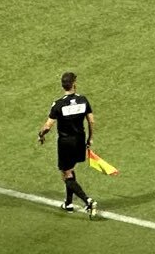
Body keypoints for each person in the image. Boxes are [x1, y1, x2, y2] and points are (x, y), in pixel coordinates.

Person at [36, 71, 96, 215]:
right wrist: (90, 138)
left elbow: (47, 126)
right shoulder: (83, 100)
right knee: (70, 169)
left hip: (66, 143)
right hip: (80, 140)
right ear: (74, 84)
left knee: (66, 173)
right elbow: (91, 121)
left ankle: (88, 201)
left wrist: (41, 135)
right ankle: (68, 203)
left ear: (63, 86)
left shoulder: (59, 104)